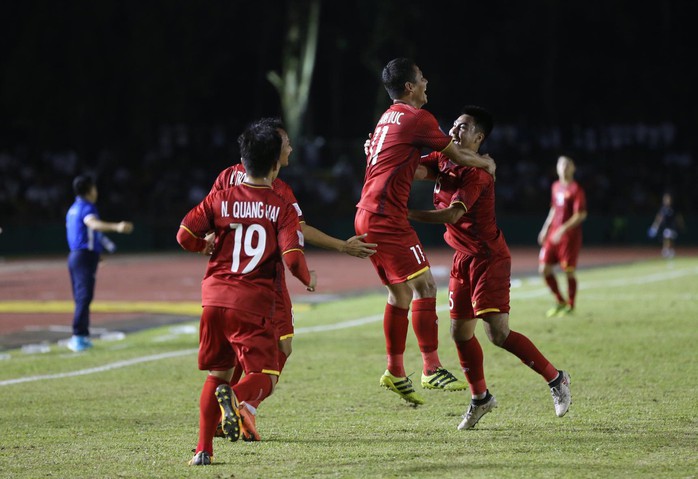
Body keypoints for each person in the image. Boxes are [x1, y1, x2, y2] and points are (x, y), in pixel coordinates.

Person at [208, 117, 376, 440]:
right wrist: (314, 267)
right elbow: (295, 235)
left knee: (245, 351)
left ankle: (236, 414)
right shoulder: (277, 189)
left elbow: (202, 221)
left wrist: (208, 245)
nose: (291, 147)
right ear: (272, 150)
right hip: (264, 285)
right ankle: (239, 401)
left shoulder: (227, 177)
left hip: (225, 283)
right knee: (279, 350)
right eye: (286, 143)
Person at [407, 105, 572, 429]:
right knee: (460, 331)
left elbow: (454, 214)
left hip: (488, 258)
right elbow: (414, 170)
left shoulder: (478, 173)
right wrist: (385, 152)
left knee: (497, 333)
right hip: (462, 258)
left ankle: (556, 378)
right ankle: (481, 398)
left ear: (479, 137)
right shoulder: (444, 159)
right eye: (454, 124)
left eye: (464, 127)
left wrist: (408, 215)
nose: (455, 130)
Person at [355, 58, 496, 406]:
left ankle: (394, 370)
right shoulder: (418, 119)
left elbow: (414, 168)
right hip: (386, 215)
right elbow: (460, 157)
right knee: (426, 285)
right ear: (409, 87)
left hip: (366, 211)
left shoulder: (386, 119)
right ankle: (431, 367)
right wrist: (487, 164)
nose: (426, 82)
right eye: (421, 78)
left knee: (400, 294)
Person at [177, 120, 316, 466]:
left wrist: (203, 245)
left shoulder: (220, 199)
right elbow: (293, 259)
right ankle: (236, 400)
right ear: (274, 164)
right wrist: (307, 278)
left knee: (217, 374)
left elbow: (183, 234)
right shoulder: (280, 205)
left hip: (213, 300)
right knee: (265, 376)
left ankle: (203, 450)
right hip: (251, 302)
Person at [65, 175, 134, 352]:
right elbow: (92, 224)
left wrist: (96, 254)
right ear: (89, 190)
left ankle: (82, 335)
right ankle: (78, 337)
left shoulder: (73, 208)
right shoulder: (87, 207)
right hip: (83, 257)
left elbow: (80, 233)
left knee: (82, 297)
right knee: (84, 297)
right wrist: (117, 227)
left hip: (77, 255)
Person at [537, 155, 587, 318]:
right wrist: (546, 228)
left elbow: (581, 215)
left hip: (569, 238)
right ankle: (560, 301)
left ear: (573, 168)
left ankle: (570, 305)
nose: (564, 167)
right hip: (553, 235)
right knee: (544, 268)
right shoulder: (555, 186)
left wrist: (563, 229)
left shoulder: (576, 189)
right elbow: (553, 209)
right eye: (561, 164)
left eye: (567, 164)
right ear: (557, 168)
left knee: (569, 271)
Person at [648, 191, 685, 258]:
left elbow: (679, 218)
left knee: (670, 237)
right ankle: (666, 250)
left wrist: (681, 225)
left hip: (673, 227)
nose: (667, 201)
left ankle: (669, 250)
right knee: (666, 234)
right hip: (664, 228)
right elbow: (659, 218)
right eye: (665, 199)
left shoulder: (674, 208)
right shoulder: (662, 209)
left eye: (668, 199)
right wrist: (654, 227)